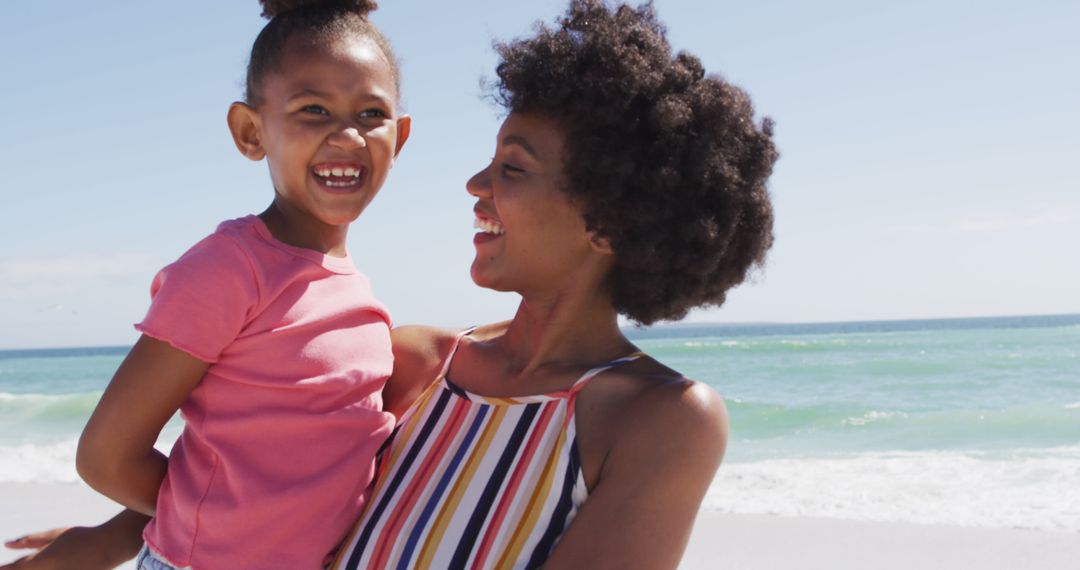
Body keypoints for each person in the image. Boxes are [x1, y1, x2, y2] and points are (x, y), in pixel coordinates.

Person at [4, 1, 777, 568]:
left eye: (512, 168)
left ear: (609, 217)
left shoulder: (661, 418)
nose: (475, 183)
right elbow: (263, 481)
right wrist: (106, 540)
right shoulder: (411, 362)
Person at [25, 1, 410, 568]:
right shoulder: (229, 270)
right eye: (313, 110)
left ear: (399, 137)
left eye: (371, 112)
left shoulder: (358, 293)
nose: (347, 135)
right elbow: (106, 457)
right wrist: (182, 522)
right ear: (251, 132)